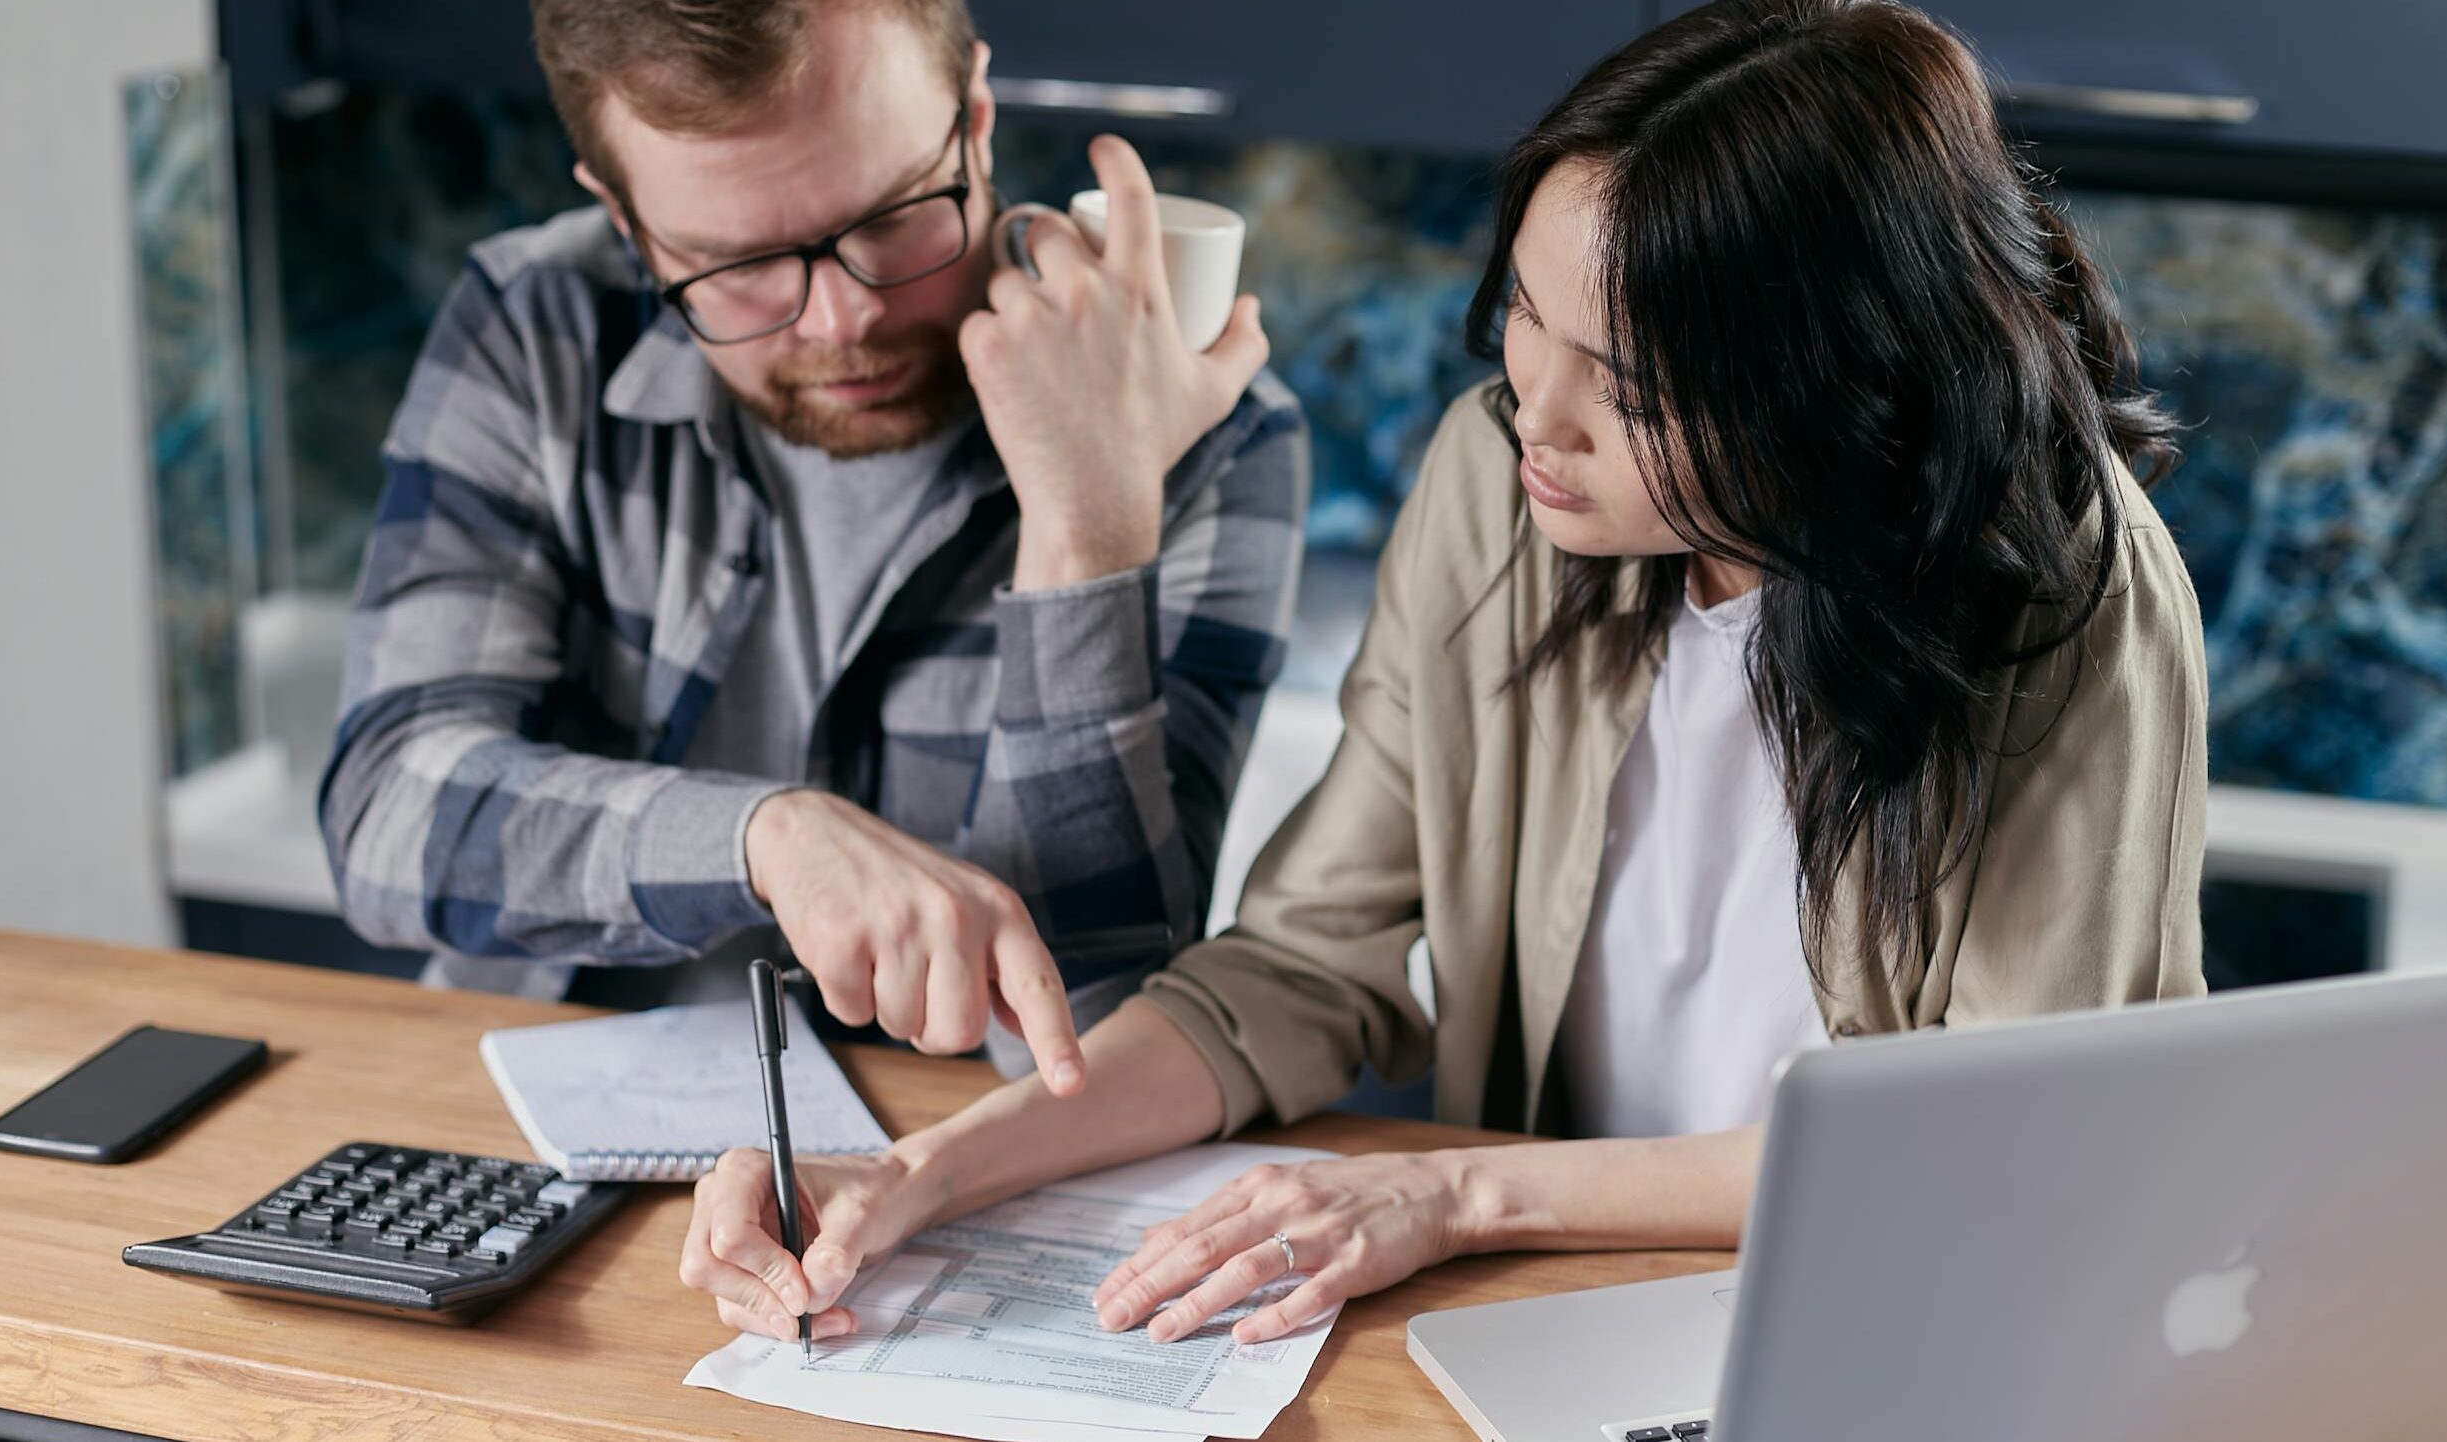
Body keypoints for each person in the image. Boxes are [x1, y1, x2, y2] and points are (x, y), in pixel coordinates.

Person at [678, 0, 2209, 1348]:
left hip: (1892, 1323)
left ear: (1832, 388)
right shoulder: (1498, 484)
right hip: (1551, 1309)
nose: (1531, 414)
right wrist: (923, 1172)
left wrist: (1453, 1188)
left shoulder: (2068, 595)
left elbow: (1993, 1150)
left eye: (1628, 388)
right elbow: (1296, 968)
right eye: (1528, 321)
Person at [319, 0, 1309, 1088]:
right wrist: (763, 841)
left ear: (974, 120)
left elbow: (1092, 1028)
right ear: (623, 219)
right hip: (537, 1115)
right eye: (733, 264)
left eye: (890, 218)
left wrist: (1086, 528)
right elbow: (385, 814)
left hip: (954, 1164)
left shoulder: (1205, 423)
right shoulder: (535, 325)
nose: (843, 323)